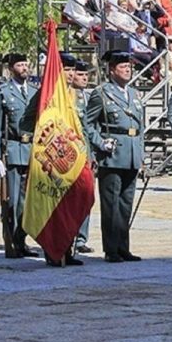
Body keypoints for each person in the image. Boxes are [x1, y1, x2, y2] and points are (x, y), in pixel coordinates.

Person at [84, 51, 145, 263]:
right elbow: (88, 124)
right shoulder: (101, 94)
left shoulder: (135, 94)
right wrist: (100, 142)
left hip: (131, 153)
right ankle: (111, 249)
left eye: (129, 67)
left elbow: (140, 127)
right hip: (113, 154)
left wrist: (142, 154)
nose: (128, 70)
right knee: (111, 204)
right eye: (122, 67)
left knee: (126, 203)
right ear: (112, 70)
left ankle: (123, 247)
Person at [0, 53, 41, 259]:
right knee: (10, 201)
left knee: (27, 202)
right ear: (11, 68)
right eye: (20, 64)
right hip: (12, 149)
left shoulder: (35, 91)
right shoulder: (2, 93)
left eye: (26, 64)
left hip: (32, 151)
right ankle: (10, 240)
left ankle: (22, 239)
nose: (25, 68)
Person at [72, 60, 95, 254]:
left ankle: (81, 237)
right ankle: (70, 236)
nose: (84, 78)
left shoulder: (89, 97)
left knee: (86, 195)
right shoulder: (67, 98)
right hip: (71, 153)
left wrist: (92, 153)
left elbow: (89, 129)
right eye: (80, 74)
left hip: (86, 153)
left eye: (86, 75)